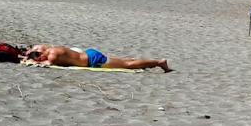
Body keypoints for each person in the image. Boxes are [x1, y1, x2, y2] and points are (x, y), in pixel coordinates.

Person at [22, 44, 170, 72]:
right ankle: (135, 59)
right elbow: (35, 49)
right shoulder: (47, 47)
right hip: (89, 54)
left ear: (41, 54)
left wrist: (29, 61)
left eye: (38, 58)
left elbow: (48, 63)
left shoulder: (52, 55)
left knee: (127, 65)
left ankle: (159, 62)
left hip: (93, 61)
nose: (39, 60)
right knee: (124, 61)